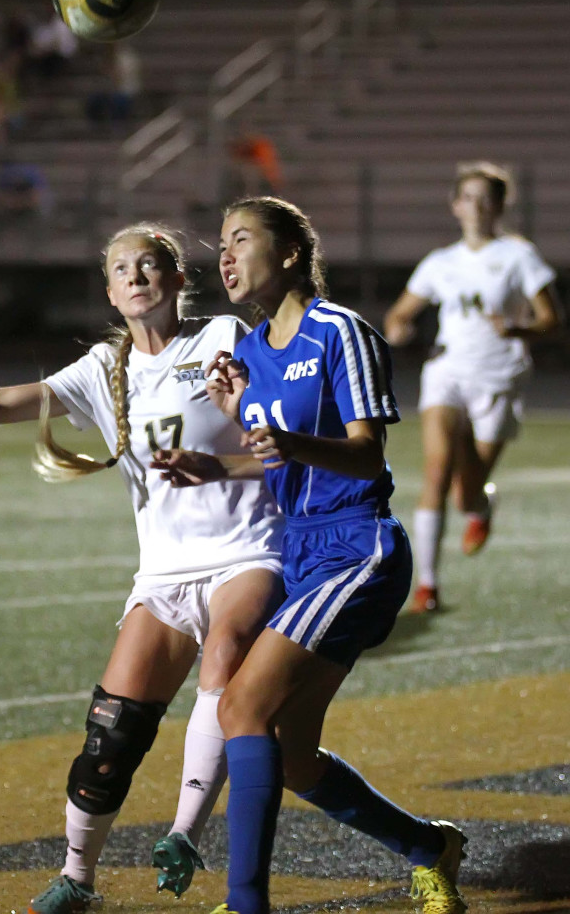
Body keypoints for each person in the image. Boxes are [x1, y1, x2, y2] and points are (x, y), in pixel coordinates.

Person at [0, 222, 286, 911]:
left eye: (149, 264)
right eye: (120, 269)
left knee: (224, 653)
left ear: (177, 280)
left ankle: (184, 833)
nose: (135, 276)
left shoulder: (223, 339)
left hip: (249, 552)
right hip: (164, 574)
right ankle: (77, 879)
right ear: (109, 292)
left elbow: (282, 438)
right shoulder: (102, 372)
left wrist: (239, 436)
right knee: (111, 729)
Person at [152, 195, 469, 914]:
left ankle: (246, 904)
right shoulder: (254, 354)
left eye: (241, 239)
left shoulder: (338, 332)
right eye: (221, 244)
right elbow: (280, 460)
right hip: (302, 554)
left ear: (292, 253)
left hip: (357, 545)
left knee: (242, 707)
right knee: (291, 755)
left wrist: (288, 444)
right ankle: (429, 847)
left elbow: (364, 454)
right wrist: (221, 461)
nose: (224, 255)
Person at [384, 162, 561, 613]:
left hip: (498, 378)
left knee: (466, 491)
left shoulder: (520, 256)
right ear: (455, 204)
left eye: (487, 199)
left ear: (500, 206)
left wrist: (518, 330)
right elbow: (399, 315)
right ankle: (426, 586)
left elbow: (551, 320)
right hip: (447, 374)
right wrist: (401, 328)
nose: (477, 207)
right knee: (437, 470)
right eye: (469, 198)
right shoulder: (440, 262)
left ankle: (481, 507)